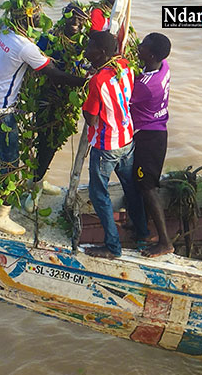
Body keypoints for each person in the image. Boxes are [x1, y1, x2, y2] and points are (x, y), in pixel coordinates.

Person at [0, 0, 85, 235]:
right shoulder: (25, 46)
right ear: (26, 15)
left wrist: (4, 68)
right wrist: (85, 81)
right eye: (36, 13)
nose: (40, 18)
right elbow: (54, 74)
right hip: (1, 111)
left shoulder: (0, 30)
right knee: (12, 164)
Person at [81, 30, 149, 259]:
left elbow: (91, 118)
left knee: (99, 194)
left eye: (90, 46)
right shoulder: (125, 66)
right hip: (127, 138)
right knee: (131, 188)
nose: (86, 49)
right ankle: (142, 234)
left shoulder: (97, 81)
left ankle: (112, 246)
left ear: (100, 53)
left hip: (106, 145)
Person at [24, 1, 91, 212]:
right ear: (64, 17)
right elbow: (35, 65)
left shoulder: (84, 43)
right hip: (46, 98)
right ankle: (34, 187)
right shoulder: (49, 38)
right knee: (43, 142)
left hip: (67, 102)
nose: (75, 21)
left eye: (80, 19)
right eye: (72, 16)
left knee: (53, 143)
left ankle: (38, 181)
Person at [129, 33, 174, 258]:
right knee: (142, 183)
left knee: (147, 187)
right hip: (156, 132)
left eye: (143, 46)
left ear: (152, 55)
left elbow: (123, 93)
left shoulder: (146, 86)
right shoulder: (163, 66)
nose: (139, 46)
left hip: (149, 137)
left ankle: (165, 241)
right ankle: (143, 228)